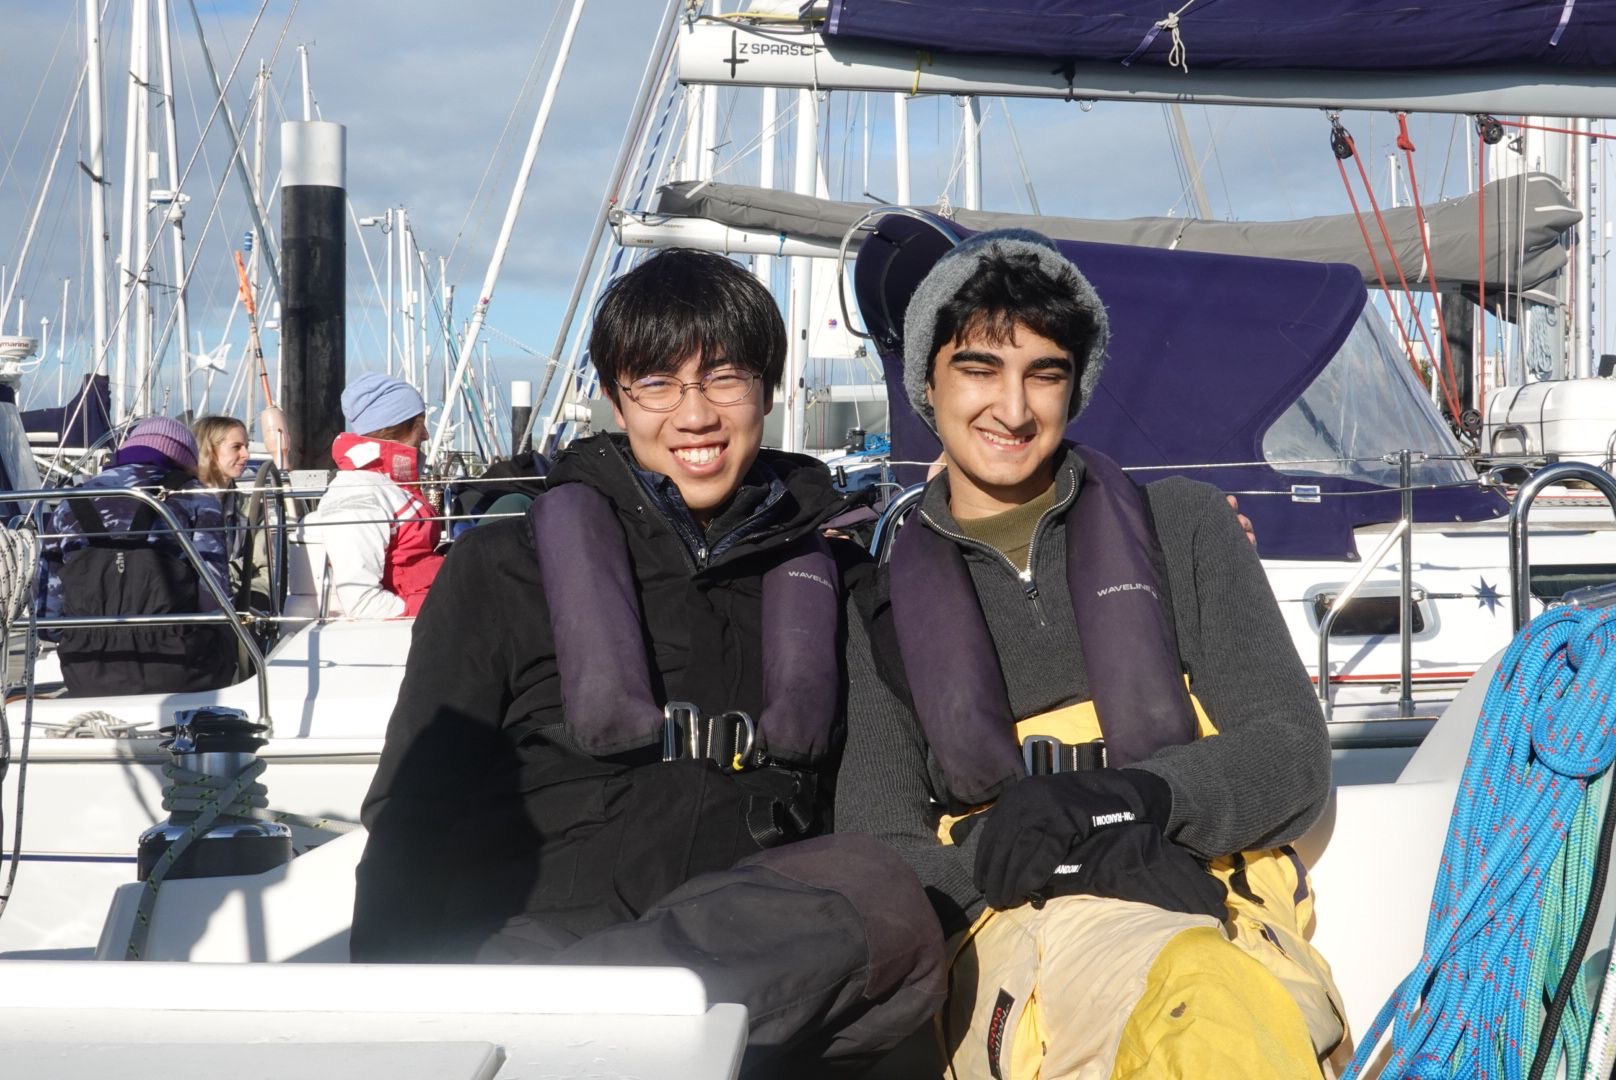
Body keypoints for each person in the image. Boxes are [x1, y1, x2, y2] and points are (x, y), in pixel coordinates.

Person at [351, 249, 945, 1074]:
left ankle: (591, 1034)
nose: (693, 415)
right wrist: (384, 1020)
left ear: (766, 392)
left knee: (882, 894)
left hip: (743, 955)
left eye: (725, 379)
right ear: (614, 398)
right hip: (537, 936)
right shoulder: (503, 568)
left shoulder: (841, 581)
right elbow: (412, 818)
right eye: (656, 384)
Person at [836, 230, 1340, 1078]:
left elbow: (1290, 757)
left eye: (1045, 373)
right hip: (1012, 923)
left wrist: (1133, 802)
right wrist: (1037, 858)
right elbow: (881, 841)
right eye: (979, 369)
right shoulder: (876, 604)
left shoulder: (1185, 527)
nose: (1014, 407)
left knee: (1213, 996)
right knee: (1201, 1009)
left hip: (1203, 894)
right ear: (927, 382)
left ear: (1076, 387)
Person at [37, 416, 236, 695]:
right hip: (180, 669)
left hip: (85, 669)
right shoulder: (196, 498)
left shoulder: (69, 503)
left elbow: (48, 617)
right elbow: (215, 599)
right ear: (184, 457)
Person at [305, 373, 443, 618]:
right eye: (421, 425)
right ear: (400, 426)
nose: (426, 436)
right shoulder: (358, 494)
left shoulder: (388, 486)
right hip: (423, 619)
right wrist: (445, 610)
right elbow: (363, 603)